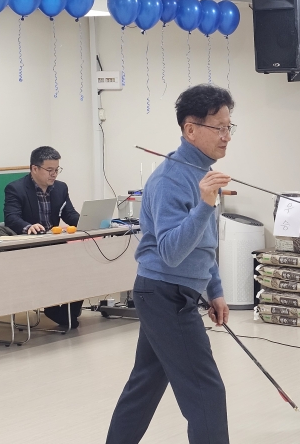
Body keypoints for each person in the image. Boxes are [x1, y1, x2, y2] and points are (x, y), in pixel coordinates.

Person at [106, 84, 233, 444]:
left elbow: (203, 244)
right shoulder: (170, 179)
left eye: (229, 127)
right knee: (206, 392)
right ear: (191, 129)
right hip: (164, 294)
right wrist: (205, 205)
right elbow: (171, 252)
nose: (226, 136)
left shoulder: (202, 175)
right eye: (219, 128)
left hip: (171, 292)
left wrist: (215, 289)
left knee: (145, 385)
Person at [4, 146, 82, 328]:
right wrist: (28, 226)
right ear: (34, 168)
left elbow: (69, 214)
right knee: (52, 269)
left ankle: (68, 311)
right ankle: (52, 308)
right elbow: (11, 218)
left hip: (54, 243)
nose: (54, 174)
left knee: (81, 264)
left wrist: (89, 220)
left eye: (57, 169)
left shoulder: (60, 188)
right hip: (30, 247)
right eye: (49, 170)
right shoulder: (16, 188)